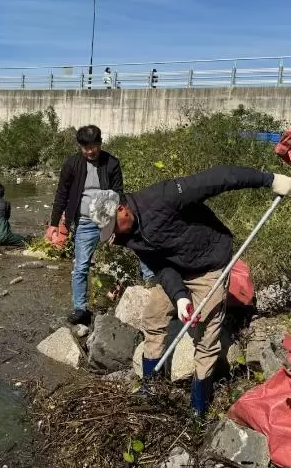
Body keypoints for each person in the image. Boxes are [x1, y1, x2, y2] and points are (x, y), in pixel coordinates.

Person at [88, 165, 291, 416]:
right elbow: (161, 267)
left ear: (122, 209)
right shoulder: (128, 236)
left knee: (206, 332)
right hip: (178, 270)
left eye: (114, 227)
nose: (114, 235)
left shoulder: (164, 196)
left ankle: (199, 407)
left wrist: (270, 179)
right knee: (153, 315)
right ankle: (151, 387)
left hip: (209, 264)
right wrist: (181, 297)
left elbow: (219, 177)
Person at [49, 125, 123, 325]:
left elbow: (118, 194)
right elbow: (61, 194)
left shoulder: (112, 163)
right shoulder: (72, 164)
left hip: (108, 221)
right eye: (86, 147)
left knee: (116, 262)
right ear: (80, 146)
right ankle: (80, 308)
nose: (90, 151)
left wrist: (116, 225)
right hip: (84, 222)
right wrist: (54, 223)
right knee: (81, 266)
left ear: (100, 143)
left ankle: (120, 298)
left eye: (94, 146)